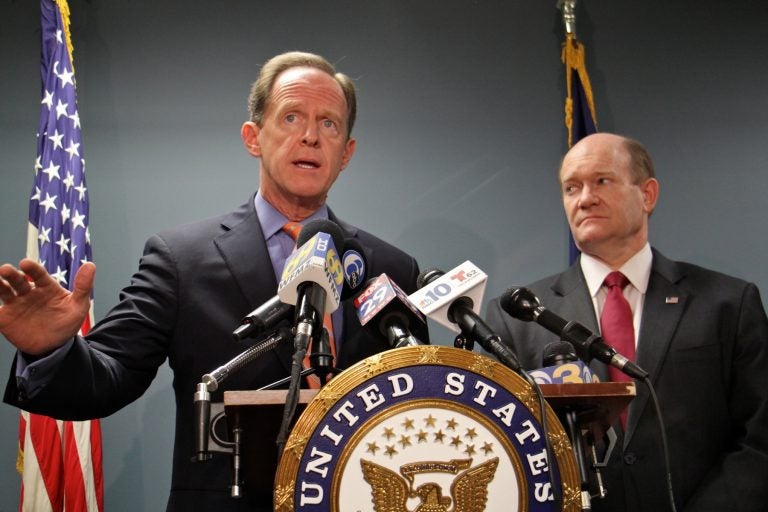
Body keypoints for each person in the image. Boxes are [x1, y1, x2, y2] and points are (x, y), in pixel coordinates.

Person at [0, 51, 424, 511]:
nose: (310, 136)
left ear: (347, 152)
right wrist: (49, 350)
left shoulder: (390, 268)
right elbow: (109, 378)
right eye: (291, 117)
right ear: (253, 137)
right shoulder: (182, 259)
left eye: (329, 125)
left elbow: (418, 406)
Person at [485, 133, 768, 511]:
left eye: (602, 181)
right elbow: (504, 449)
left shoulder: (727, 302)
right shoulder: (516, 318)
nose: (585, 198)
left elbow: (759, 437)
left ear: (647, 195)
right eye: (572, 188)